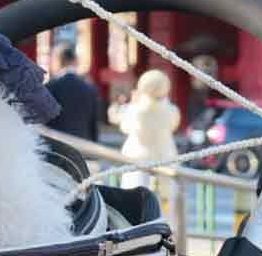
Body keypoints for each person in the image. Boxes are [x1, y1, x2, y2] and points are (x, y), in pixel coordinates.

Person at [108, 69, 183, 217]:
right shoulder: (172, 110)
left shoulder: (135, 110)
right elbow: (174, 125)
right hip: (165, 159)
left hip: (138, 160)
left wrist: (132, 102)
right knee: (165, 206)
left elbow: (123, 124)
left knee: (134, 204)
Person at [45, 43, 100, 143]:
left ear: (58, 61)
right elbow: (93, 125)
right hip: (84, 146)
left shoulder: (50, 87)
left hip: (58, 146)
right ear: (74, 61)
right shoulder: (89, 88)